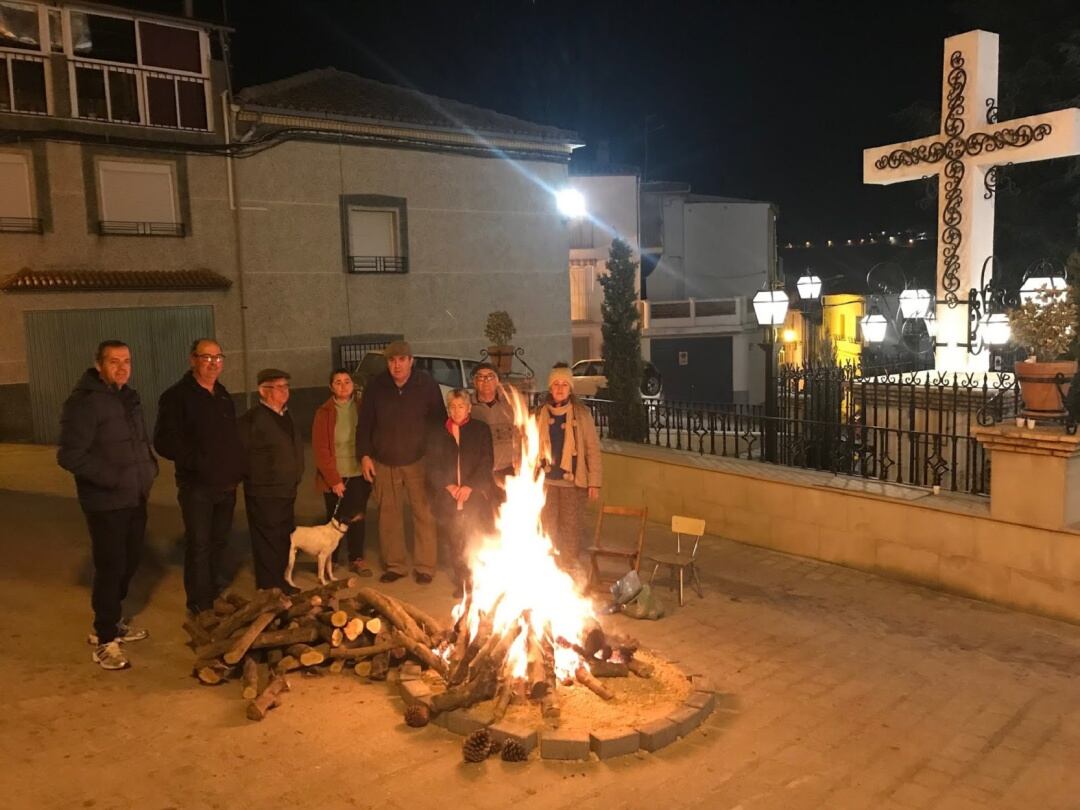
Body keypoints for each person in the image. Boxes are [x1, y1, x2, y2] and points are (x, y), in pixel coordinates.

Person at [58, 340, 158, 671]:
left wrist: (149, 469)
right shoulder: (85, 403)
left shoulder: (128, 398)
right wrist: (112, 477)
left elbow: (139, 442)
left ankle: (112, 621)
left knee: (129, 561)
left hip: (134, 495)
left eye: (126, 361)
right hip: (106, 501)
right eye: (114, 361)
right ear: (99, 364)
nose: (122, 367)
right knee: (111, 566)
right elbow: (70, 455)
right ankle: (104, 639)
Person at [154, 338, 246, 616]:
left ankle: (213, 591)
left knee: (219, 541)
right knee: (199, 544)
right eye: (206, 357)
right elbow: (164, 442)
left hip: (226, 484)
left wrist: (237, 467)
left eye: (218, 357)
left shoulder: (222, 395)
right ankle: (199, 603)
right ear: (192, 359)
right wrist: (198, 463)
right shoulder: (177, 397)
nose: (213, 363)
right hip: (197, 487)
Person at [356, 340, 445, 584]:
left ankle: (425, 566)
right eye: (392, 360)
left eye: (401, 360)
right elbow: (364, 423)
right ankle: (395, 565)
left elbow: (439, 423)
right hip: (384, 461)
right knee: (388, 516)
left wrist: (435, 458)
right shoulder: (377, 386)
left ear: (411, 360)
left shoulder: (426, 384)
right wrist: (364, 455)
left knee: (424, 513)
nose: (397, 365)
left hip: (418, 460)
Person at [237, 368, 304, 594]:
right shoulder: (253, 419)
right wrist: (259, 479)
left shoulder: (286, 414)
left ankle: (280, 581)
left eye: (286, 386)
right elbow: (241, 455)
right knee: (267, 540)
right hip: (264, 491)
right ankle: (269, 586)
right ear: (263, 391)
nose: (285, 392)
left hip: (286, 489)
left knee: (283, 536)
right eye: (279, 387)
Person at [426, 389, 495, 597]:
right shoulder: (438, 432)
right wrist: (447, 485)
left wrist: (470, 486)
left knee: (475, 535)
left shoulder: (480, 430)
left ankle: (481, 578)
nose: (456, 411)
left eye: (460, 406)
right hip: (449, 496)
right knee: (455, 539)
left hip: (474, 495)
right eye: (452, 407)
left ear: (469, 408)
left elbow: (486, 461)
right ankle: (463, 581)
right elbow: (432, 464)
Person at [537, 365, 602, 570]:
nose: (560, 388)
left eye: (564, 384)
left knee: (570, 528)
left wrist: (594, 482)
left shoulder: (582, 414)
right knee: (548, 527)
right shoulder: (540, 413)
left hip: (572, 482)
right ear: (550, 387)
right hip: (546, 481)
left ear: (570, 388)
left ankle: (569, 566)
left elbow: (592, 449)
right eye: (556, 384)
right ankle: (550, 567)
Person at [312, 368, 372, 576]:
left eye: (347, 381)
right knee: (335, 518)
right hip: (335, 474)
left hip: (358, 472)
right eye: (338, 382)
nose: (343, 385)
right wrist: (334, 479)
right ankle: (332, 558)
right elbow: (320, 449)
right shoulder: (324, 412)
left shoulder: (363, 408)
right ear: (331, 387)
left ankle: (357, 558)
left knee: (357, 517)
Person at [469, 362, 521, 488]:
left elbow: (522, 432)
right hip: (478, 470)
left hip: (509, 469)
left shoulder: (512, 404)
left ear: (498, 381)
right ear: (474, 382)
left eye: (490, 376)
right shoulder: (467, 406)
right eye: (480, 377)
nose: (486, 381)